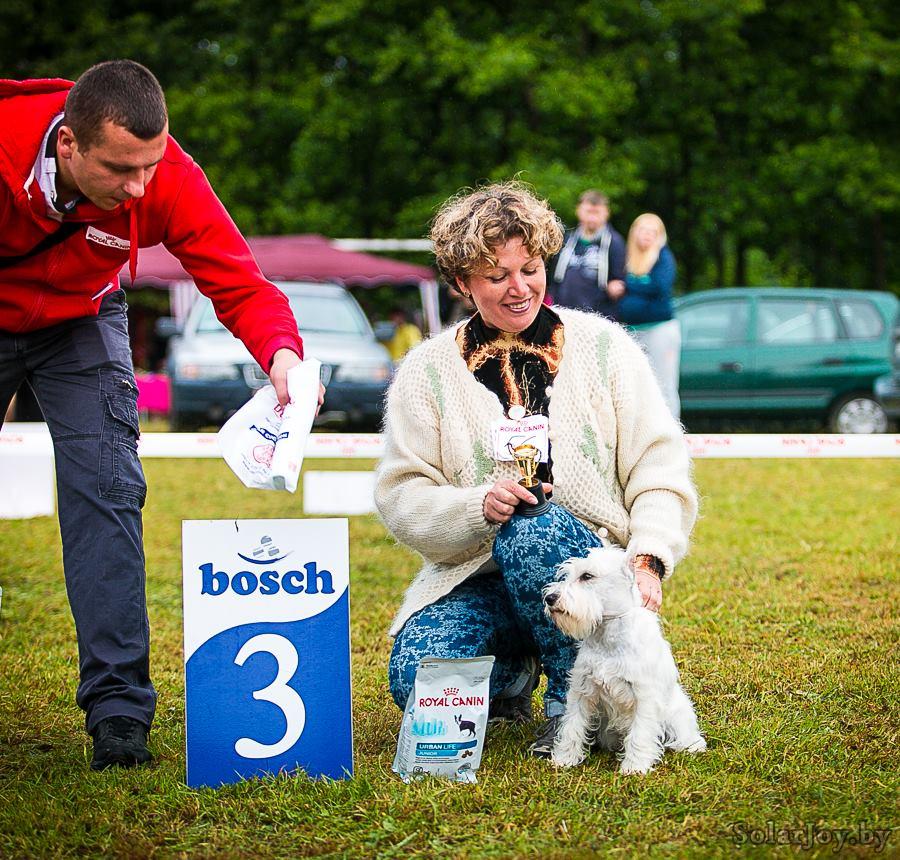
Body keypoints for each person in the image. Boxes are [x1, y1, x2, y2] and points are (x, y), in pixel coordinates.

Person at [0, 60, 321, 770]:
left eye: (150, 165)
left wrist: (284, 356)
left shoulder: (166, 174)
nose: (141, 188)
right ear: (68, 145)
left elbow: (240, 282)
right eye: (121, 169)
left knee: (108, 491)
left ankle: (118, 713)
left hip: (80, 321)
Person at [375, 182, 697, 757]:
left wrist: (648, 555)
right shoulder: (423, 372)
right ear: (461, 282)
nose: (520, 288)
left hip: (585, 572)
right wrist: (475, 506)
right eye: (497, 276)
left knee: (532, 526)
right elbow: (401, 496)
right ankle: (515, 675)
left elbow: (659, 464)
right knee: (417, 678)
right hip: (474, 578)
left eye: (531, 269)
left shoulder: (607, 347)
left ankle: (568, 706)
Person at [618, 213, 681, 420]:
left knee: (664, 383)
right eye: (643, 230)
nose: (647, 235)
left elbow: (660, 286)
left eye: (652, 232)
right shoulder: (627, 257)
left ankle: (670, 429)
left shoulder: (663, 257)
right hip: (633, 330)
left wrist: (629, 286)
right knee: (635, 385)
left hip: (659, 328)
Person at [548, 189, 626, 318]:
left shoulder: (614, 242)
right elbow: (554, 273)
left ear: (606, 213)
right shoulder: (567, 239)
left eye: (597, 212)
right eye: (588, 211)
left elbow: (618, 278)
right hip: (563, 309)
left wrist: (617, 286)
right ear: (578, 210)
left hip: (597, 312)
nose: (592, 217)